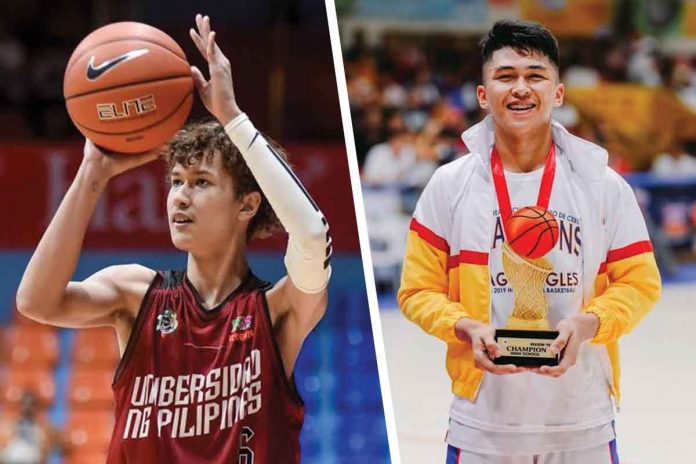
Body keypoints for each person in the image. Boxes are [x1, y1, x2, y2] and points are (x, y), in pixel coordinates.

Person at [15, 14, 330, 463]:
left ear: (247, 204)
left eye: (201, 182)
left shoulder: (278, 310)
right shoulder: (136, 293)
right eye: (176, 181)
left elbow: (313, 235)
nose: (180, 197)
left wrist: (233, 118)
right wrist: (92, 174)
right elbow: (36, 303)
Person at [398, 20, 661, 464]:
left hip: (582, 423)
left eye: (535, 75)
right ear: (483, 94)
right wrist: (464, 326)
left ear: (557, 93)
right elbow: (416, 290)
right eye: (505, 76)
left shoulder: (602, 185)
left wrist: (589, 324)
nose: (520, 88)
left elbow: (640, 283)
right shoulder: (449, 186)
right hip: (483, 424)